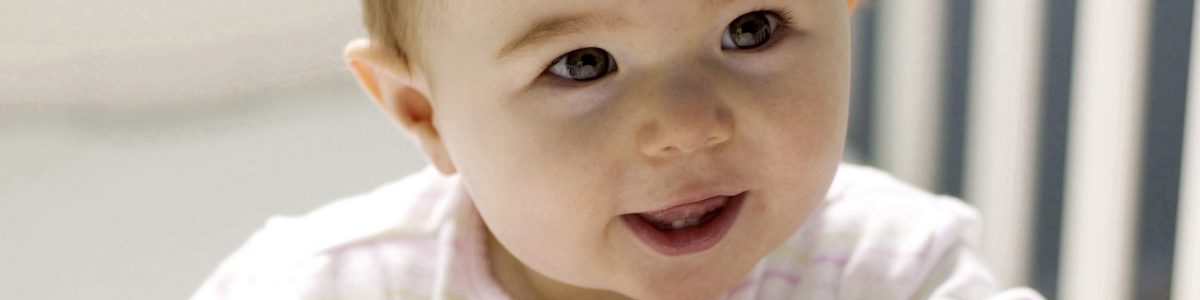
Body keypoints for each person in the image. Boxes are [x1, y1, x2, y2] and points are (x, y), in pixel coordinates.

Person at [194, 0, 1044, 299]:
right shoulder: (327, 285)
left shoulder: (885, 270)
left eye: (751, 29)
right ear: (424, 113)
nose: (687, 126)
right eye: (582, 64)